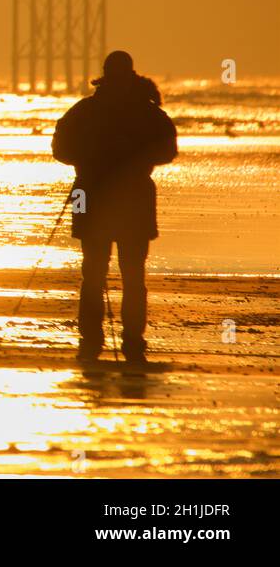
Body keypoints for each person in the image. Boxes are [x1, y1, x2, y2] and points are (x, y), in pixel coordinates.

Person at [51, 51, 177, 363]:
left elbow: (60, 148)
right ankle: (122, 337)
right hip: (114, 195)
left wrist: (96, 161)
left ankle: (103, 335)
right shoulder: (147, 113)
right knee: (123, 273)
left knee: (102, 271)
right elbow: (167, 150)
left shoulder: (87, 111)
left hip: (101, 194)